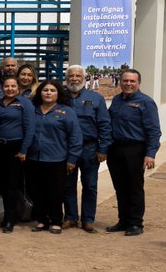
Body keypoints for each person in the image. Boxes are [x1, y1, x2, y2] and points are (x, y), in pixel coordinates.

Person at [106, 69, 161, 236]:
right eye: (125, 81)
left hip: (135, 150)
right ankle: (123, 221)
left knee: (134, 187)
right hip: (115, 149)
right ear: (120, 82)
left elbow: (154, 131)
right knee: (120, 187)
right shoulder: (117, 100)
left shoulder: (146, 102)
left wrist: (150, 154)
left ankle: (136, 223)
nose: (128, 84)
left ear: (138, 83)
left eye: (132, 81)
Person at [62, 65, 111, 232]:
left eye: (78, 76)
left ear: (84, 79)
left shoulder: (96, 98)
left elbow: (104, 124)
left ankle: (88, 219)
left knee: (90, 185)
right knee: (68, 185)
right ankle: (70, 217)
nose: (74, 79)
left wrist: (103, 149)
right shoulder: (60, 97)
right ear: (66, 78)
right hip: (66, 149)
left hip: (89, 148)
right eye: (71, 76)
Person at [27, 80, 81, 234]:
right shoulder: (32, 110)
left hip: (57, 159)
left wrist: (72, 158)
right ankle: (42, 220)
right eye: (45, 90)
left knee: (55, 192)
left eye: (52, 90)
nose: (48, 93)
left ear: (58, 93)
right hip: (34, 158)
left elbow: (75, 136)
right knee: (36, 191)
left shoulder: (66, 111)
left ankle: (56, 221)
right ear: (40, 93)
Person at [0, 75, 35, 232]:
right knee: (2, 184)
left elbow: (30, 129)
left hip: (15, 148)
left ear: (18, 88)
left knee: (12, 184)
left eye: (13, 86)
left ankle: (10, 219)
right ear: (2, 88)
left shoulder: (25, 103)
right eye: (6, 86)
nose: (9, 89)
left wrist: (23, 150)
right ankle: (8, 215)